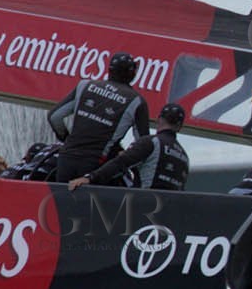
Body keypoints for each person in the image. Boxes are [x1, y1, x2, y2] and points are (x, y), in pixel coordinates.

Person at [48, 51, 150, 183]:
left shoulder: (85, 85)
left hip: (66, 158)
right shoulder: (137, 101)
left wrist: (66, 139)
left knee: (60, 202)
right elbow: (143, 145)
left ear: (109, 70)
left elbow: (55, 117)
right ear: (132, 73)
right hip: (97, 165)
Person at [71, 103, 190, 191]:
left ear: (159, 119)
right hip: (170, 214)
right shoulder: (185, 157)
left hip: (144, 206)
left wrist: (90, 178)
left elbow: (121, 163)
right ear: (179, 126)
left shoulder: (151, 142)